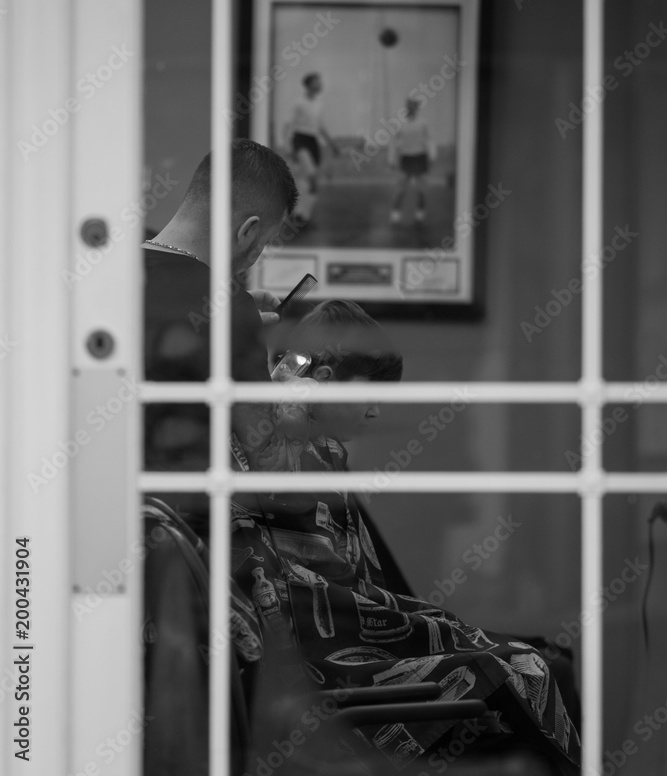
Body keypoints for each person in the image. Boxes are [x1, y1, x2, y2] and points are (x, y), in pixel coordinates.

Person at [231, 300, 580, 775]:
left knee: (544, 662)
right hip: (324, 659)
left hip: (346, 631)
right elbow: (321, 596)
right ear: (324, 379)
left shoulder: (320, 451)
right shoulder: (281, 456)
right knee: (532, 666)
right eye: (371, 394)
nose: (377, 411)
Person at [143, 138, 302, 465]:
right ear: (248, 231)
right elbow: (267, 458)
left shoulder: (110, 273)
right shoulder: (232, 309)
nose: (257, 256)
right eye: (265, 242)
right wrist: (293, 401)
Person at [283, 72, 339, 226]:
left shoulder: (319, 104)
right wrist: (287, 146)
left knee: (310, 182)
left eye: (320, 82)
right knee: (312, 175)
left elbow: (320, 127)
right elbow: (288, 125)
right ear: (308, 85)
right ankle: (297, 213)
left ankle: (303, 215)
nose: (320, 85)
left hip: (313, 142)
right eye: (316, 82)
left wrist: (332, 145)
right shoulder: (298, 103)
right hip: (300, 140)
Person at [388, 95, 436, 224]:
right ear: (406, 107)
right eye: (409, 105)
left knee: (422, 190)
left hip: (420, 158)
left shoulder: (423, 123)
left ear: (416, 108)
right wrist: (391, 159)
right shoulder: (401, 124)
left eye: (413, 106)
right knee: (400, 188)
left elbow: (429, 140)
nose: (411, 108)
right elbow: (394, 143)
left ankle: (420, 213)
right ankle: (395, 213)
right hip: (406, 159)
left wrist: (432, 156)